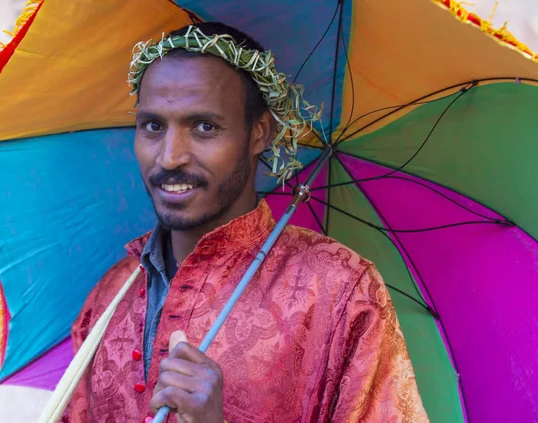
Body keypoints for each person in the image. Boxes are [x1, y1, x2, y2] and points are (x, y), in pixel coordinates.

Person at [62, 22, 429, 423]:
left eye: (204, 126)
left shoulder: (340, 292)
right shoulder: (111, 294)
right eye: (153, 125)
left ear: (259, 134)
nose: (169, 157)